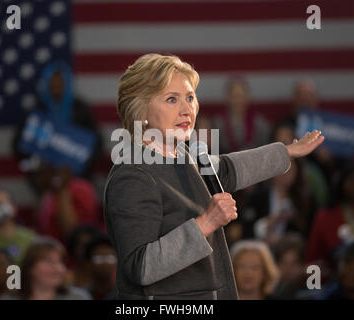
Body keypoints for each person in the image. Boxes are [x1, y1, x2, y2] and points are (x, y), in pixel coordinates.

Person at [104, 53, 325, 300]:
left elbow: (229, 169)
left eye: (189, 98)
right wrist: (206, 222)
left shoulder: (184, 156)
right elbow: (140, 267)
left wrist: (287, 152)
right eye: (171, 99)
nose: (187, 109)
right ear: (140, 108)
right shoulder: (133, 174)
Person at [13, 237, 90, 300]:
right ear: (30, 266)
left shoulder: (79, 298)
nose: (58, 268)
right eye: (49, 261)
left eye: (61, 262)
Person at [214, 78, 270, 153]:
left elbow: (265, 150)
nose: (238, 101)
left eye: (241, 96)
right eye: (235, 96)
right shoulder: (218, 123)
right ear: (227, 98)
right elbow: (214, 152)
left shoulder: (260, 123)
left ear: (247, 98)